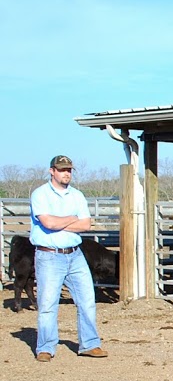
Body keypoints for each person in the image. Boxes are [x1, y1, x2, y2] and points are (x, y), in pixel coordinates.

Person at [29, 155, 108, 362]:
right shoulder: (40, 194)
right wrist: (71, 219)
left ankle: (90, 344)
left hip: (74, 254)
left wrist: (58, 222)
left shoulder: (77, 195)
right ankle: (45, 347)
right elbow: (47, 223)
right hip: (49, 255)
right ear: (51, 171)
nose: (66, 173)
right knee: (48, 303)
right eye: (62, 169)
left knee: (87, 300)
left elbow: (85, 225)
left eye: (69, 170)